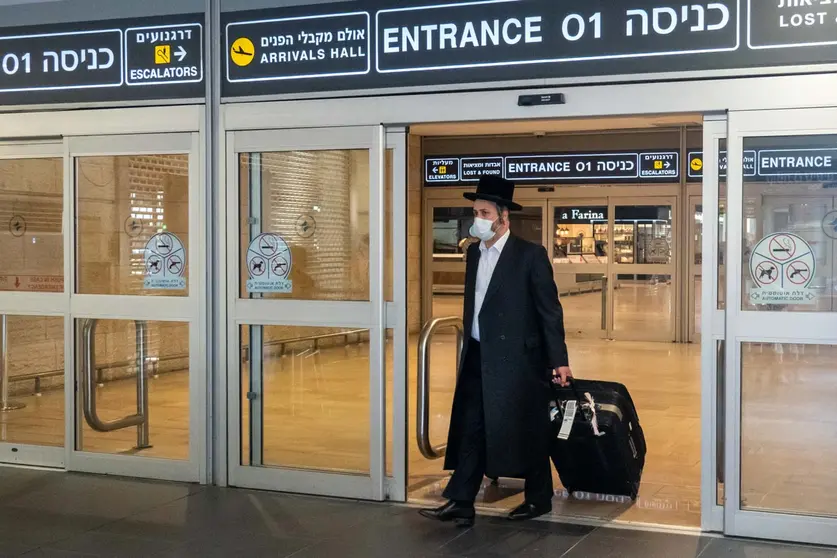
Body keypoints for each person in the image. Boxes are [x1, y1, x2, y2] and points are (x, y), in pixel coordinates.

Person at [420, 175, 573, 527]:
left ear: (504, 217)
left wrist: (558, 361)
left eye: (485, 212)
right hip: (477, 353)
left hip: (519, 359)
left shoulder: (530, 256)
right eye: (476, 212)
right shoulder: (474, 253)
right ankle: (460, 499)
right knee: (472, 425)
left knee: (527, 428)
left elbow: (549, 311)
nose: (478, 219)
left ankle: (539, 499)